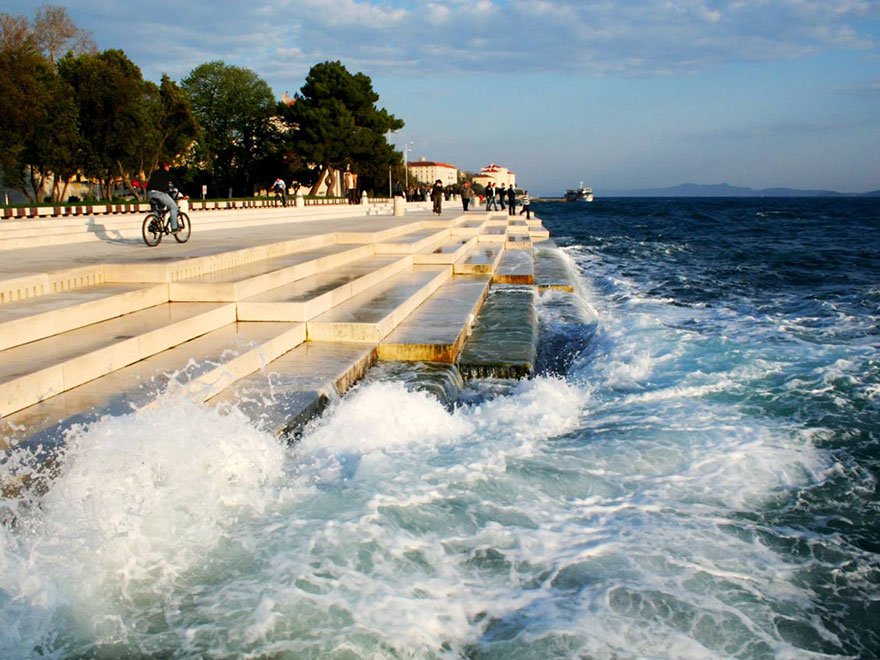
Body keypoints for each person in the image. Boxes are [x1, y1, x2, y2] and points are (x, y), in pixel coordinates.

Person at [147, 162, 180, 233]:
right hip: (159, 193)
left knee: (160, 208)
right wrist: (185, 194)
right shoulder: (167, 173)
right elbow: (177, 184)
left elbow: (160, 184)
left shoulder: (154, 173)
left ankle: (154, 224)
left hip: (150, 193)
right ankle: (174, 228)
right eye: (168, 166)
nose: (169, 168)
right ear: (166, 166)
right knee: (174, 207)